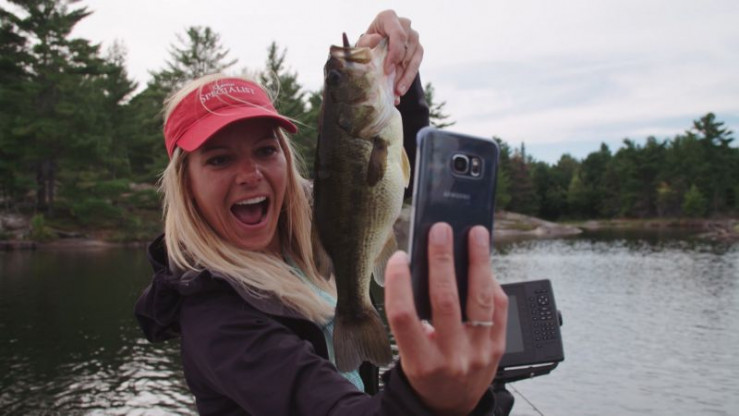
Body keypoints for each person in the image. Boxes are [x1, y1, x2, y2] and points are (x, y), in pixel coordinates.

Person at [134, 10, 508, 416]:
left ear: (286, 157)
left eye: (265, 149)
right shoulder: (218, 323)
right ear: (186, 184)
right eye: (219, 159)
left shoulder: (317, 222)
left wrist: (393, 72)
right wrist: (431, 398)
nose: (251, 174)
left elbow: (384, 170)